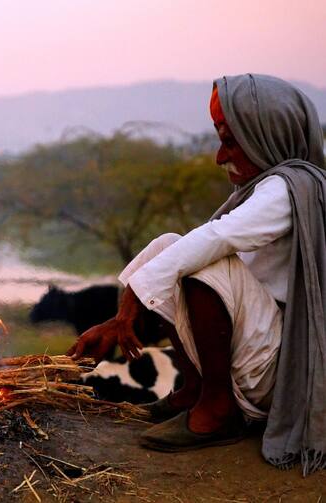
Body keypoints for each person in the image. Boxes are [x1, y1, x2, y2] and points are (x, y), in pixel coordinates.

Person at [68, 74, 326, 475]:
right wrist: (120, 315)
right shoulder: (267, 187)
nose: (219, 158)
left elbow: (215, 239)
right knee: (171, 243)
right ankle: (195, 391)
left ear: (267, 136)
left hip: (277, 369)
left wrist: (127, 312)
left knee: (203, 260)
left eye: (229, 141)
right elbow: (191, 245)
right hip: (257, 348)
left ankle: (219, 407)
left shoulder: (287, 189)